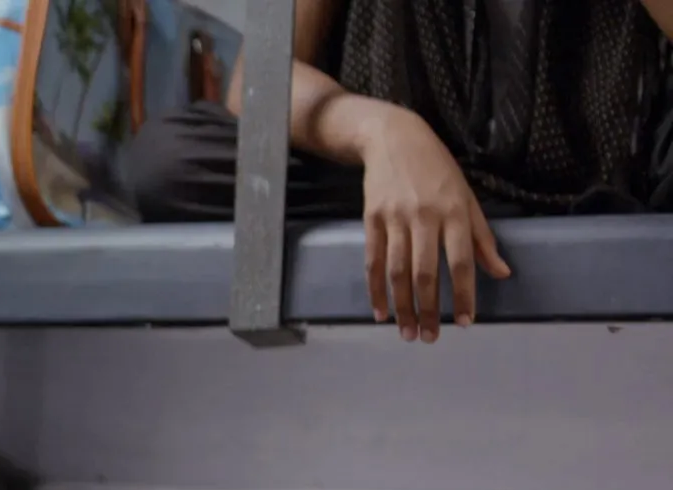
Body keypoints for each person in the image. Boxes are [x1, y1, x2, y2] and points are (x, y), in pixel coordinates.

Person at [125, 0, 673, 344]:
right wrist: (377, 131)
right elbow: (260, 79)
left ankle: (481, 225)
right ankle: (450, 217)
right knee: (174, 161)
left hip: (602, 188)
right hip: (396, 179)